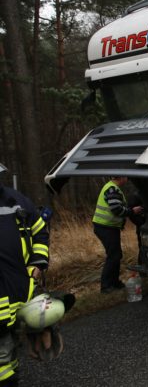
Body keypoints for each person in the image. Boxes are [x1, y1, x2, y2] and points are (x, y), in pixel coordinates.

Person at [0, 163, 49, 385]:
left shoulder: (15, 200)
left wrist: (37, 264)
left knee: (11, 350)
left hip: (19, 291)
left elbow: (39, 230)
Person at [93, 177, 142, 294]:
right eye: (126, 177)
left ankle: (114, 282)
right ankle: (106, 287)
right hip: (105, 227)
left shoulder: (113, 188)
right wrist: (132, 211)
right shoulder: (112, 189)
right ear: (122, 177)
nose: (127, 178)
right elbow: (117, 210)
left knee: (116, 255)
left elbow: (117, 209)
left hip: (109, 227)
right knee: (113, 256)